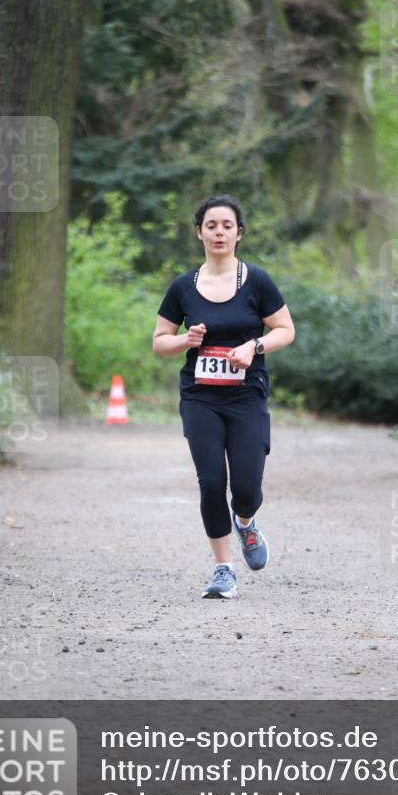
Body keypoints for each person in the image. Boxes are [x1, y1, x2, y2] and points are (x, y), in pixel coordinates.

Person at [152, 195, 296, 599]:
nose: (219, 232)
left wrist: (256, 347)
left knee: (247, 487)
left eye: (227, 225)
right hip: (200, 398)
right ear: (199, 232)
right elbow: (159, 342)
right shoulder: (183, 286)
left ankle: (246, 522)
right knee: (211, 480)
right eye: (211, 225)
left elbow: (286, 329)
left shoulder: (257, 281)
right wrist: (185, 339)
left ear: (238, 234)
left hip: (246, 395)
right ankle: (223, 569)